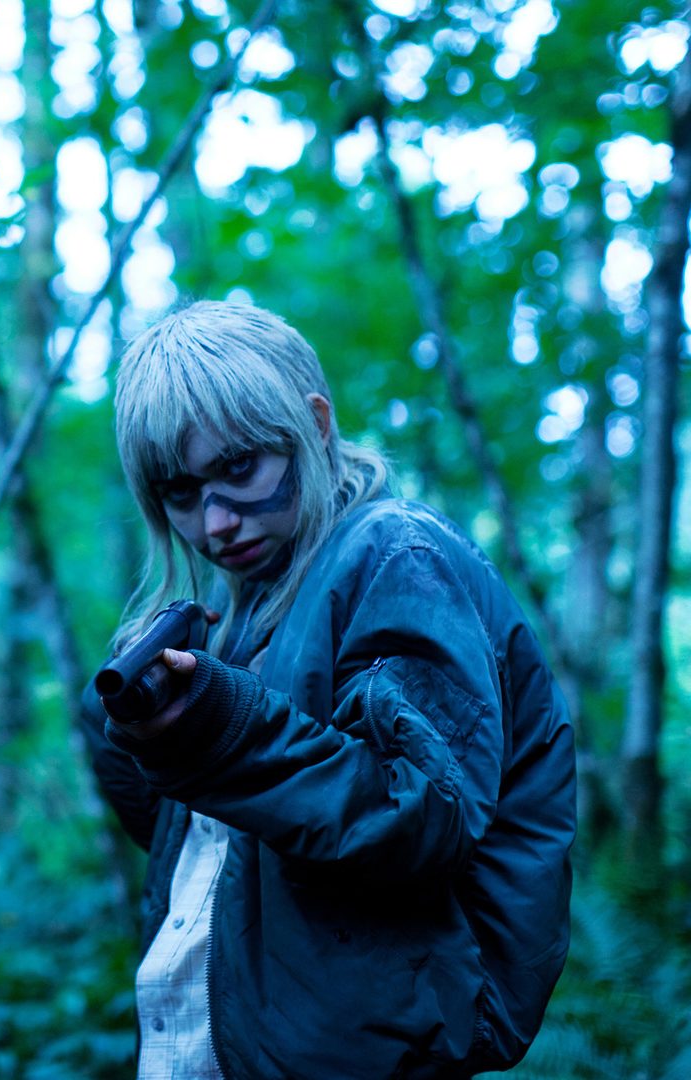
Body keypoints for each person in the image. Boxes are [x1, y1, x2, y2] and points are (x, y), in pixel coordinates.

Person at [85, 300, 575, 1078]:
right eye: (180, 492)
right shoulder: (242, 607)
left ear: (315, 426)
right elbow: (229, 852)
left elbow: (419, 819)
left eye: (238, 469)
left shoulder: (395, 556)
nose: (215, 523)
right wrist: (134, 735)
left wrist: (219, 730)